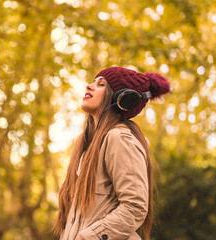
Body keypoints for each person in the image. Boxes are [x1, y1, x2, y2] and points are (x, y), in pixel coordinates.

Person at [53, 66, 171, 240]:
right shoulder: (85, 145)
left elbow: (135, 207)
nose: (89, 86)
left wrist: (88, 237)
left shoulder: (119, 137)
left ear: (121, 99)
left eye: (101, 85)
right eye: (93, 82)